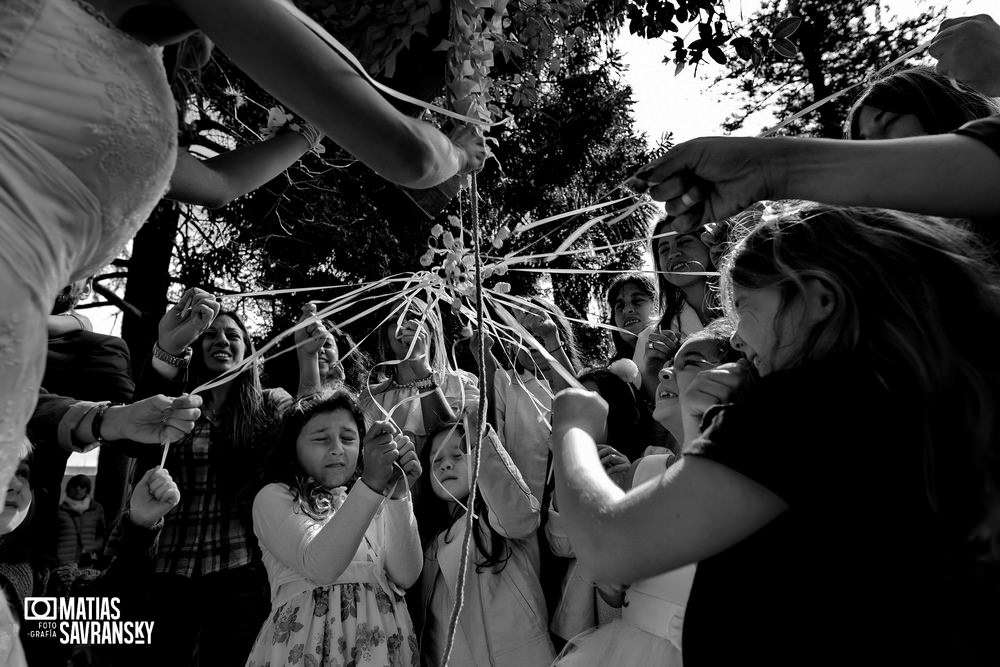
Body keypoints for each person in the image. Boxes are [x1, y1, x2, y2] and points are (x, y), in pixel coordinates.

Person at [0, 0, 489, 554]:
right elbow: (414, 157)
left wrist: (310, 132)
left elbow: (217, 183)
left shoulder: (133, 59)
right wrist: (457, 148)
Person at [550, 203, 1000, 666]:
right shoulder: (915, 397)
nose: (738, 339)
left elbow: (611, 549)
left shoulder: (805, 405)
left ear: (817, 298)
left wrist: (572, 429)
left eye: (744, 307)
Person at [125, 289, 320, 666]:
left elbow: (308, 433)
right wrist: (167, 349)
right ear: (196, 346)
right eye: (211, 334)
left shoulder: (268, 404)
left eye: (233, 335)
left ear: (248, 350)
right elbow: (136, 430)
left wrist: (307, 358)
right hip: (168, 569)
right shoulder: (176, 404)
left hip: (241, 572)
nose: (222, 341)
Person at [246, 391, 422, 667]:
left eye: (349, 438)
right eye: (321, 439)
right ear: (292, 446)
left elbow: (405, 575)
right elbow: (320, 565)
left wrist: (398, 495)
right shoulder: (275, 498)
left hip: (382, 646)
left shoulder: (371, 499)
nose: (337, 448)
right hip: (308, 648)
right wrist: (372, 485)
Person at [1, 437, 182, 666]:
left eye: (22, 473)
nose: (14, 483)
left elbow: (108, 605)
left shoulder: (40, 578)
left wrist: (141, 524)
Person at [418, 420, 555, 666]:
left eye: (458, 455)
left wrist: (482, 439)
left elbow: (519, 513)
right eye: (436, 460)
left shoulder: (498, 522)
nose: (446, 464)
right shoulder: (428, 545)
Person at [469, 296, 580, 500]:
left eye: (539, 332)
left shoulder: (583, 381)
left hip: (569, 502)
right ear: (511, 345)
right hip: (517, 503)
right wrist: (487, 366)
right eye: (522, 333)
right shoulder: (505, 383)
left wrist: (550, 338)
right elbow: (490, 438)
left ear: (559, 335)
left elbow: (574, 408)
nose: (532, 340)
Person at [361, 298, 479, 460]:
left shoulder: (459, 384)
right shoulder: (371, 397)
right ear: (387, 339)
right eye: (395, 320)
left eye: (412, 316)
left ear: (431, 332)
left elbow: (453, 445)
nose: (403, 324)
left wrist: (422, 370)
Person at [605, 274, 659, 364]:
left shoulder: (681, 354)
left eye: (637, 300)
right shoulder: (612, 374)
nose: (626, 310)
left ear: (657, 305)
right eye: (620, 306)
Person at [55, 474, 106, 566]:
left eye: (82, 486)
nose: (78, 489)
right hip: (63, 563)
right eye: (74, 486)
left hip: (88, 563)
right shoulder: (59, 511)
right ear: (68, 488)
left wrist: (91, 548)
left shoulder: (96, 509)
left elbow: (102, 534)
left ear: (87, 489)